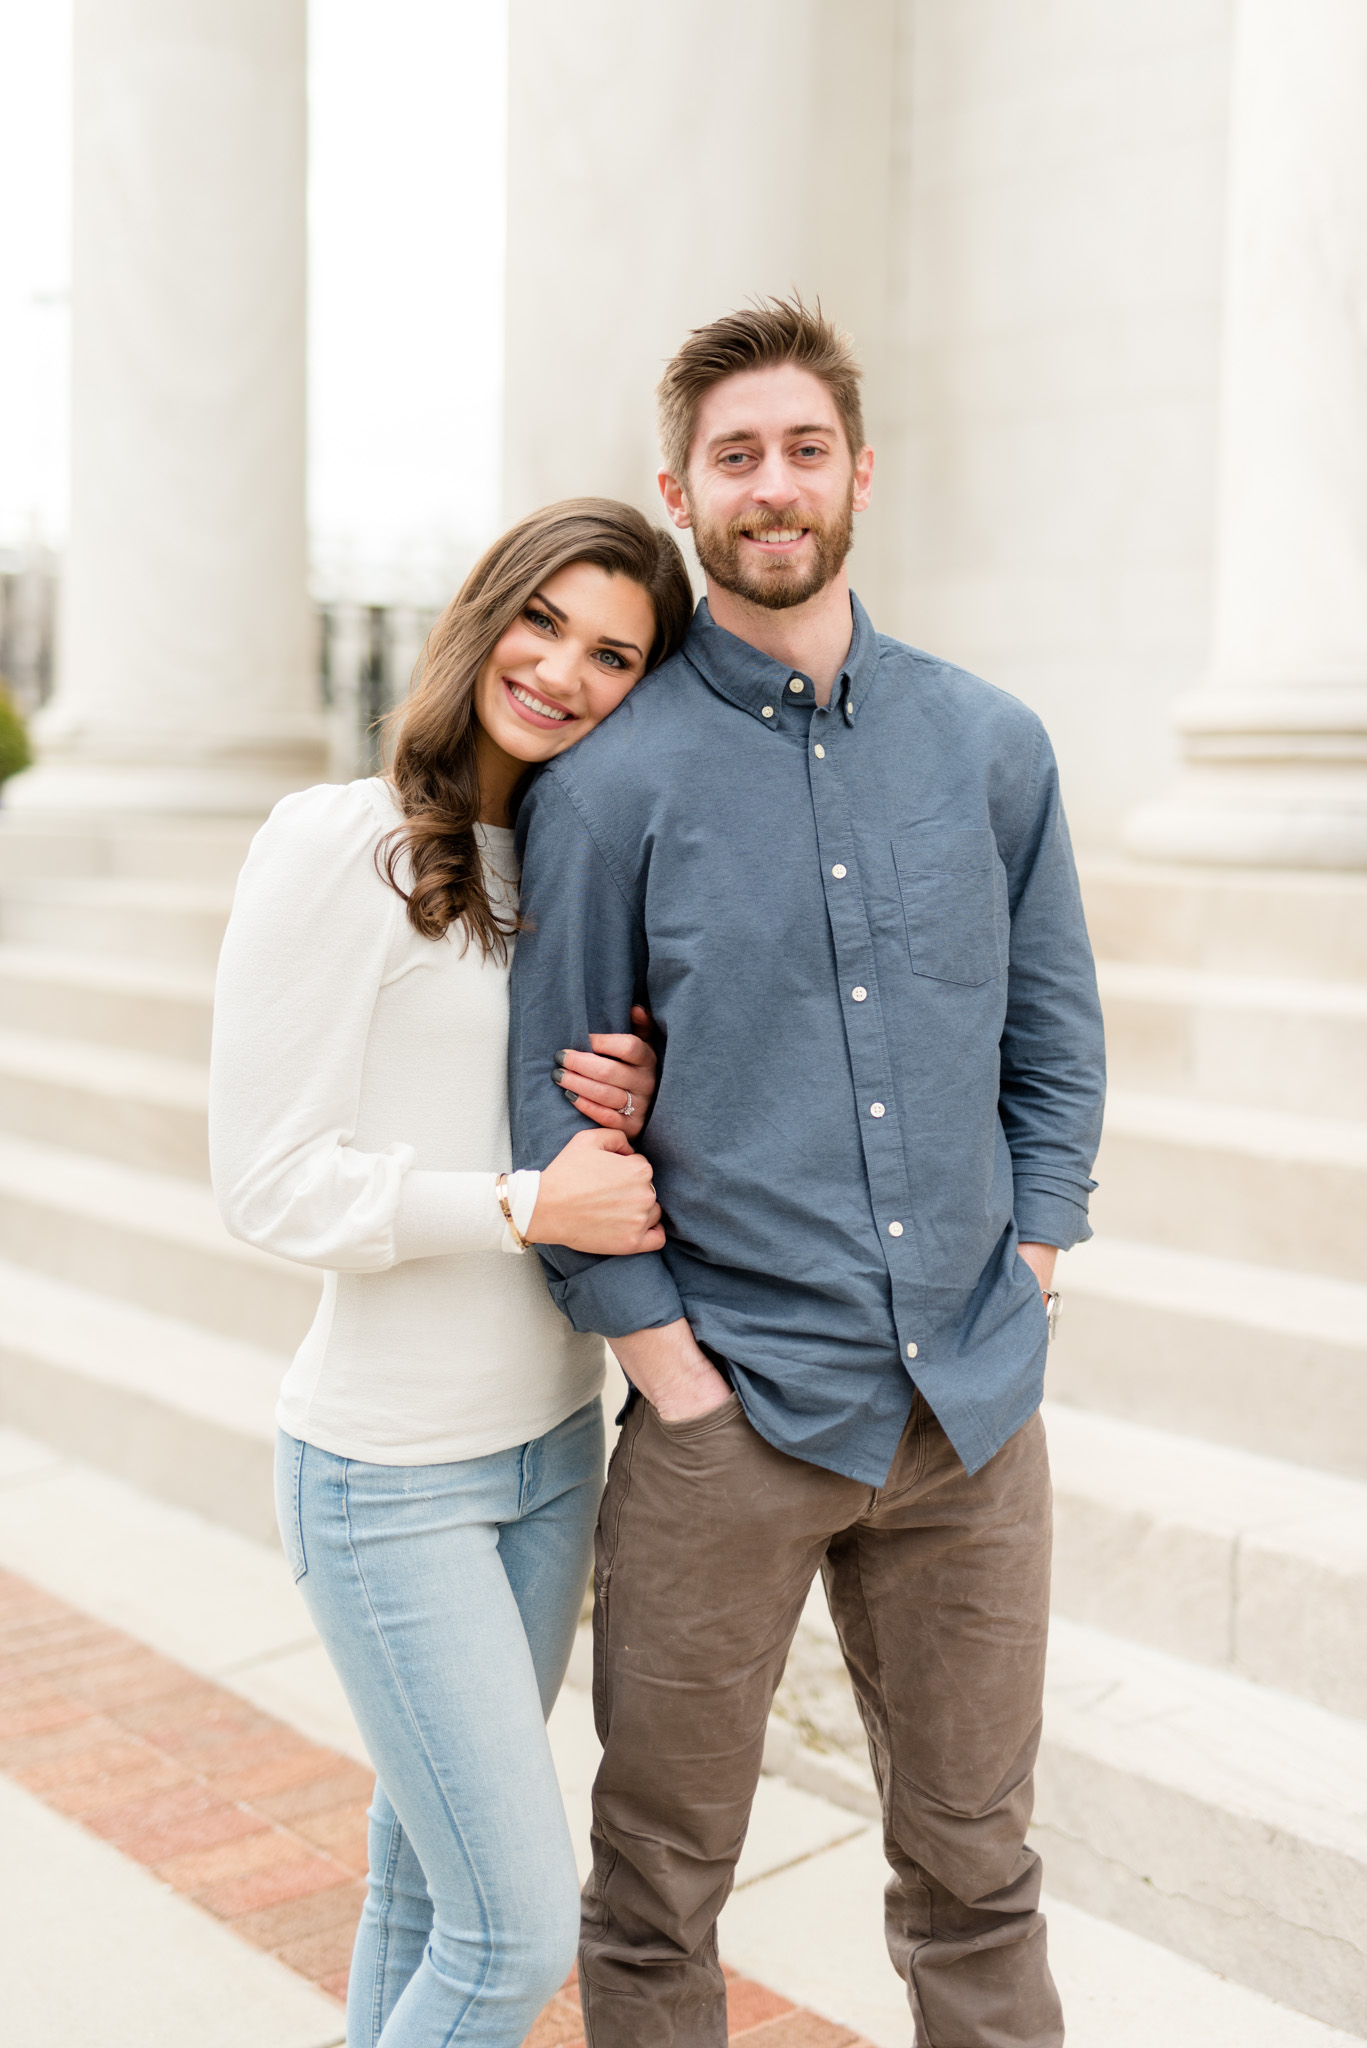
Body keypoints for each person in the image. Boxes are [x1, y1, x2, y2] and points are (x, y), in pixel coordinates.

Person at [508, 301, 1106, 2048]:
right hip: (733, 1422)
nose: (774, 485)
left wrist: (1039, 1261)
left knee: (979, 1871)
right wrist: (671, 1376)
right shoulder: (610, 784)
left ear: (859, 470)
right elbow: (552, 1120)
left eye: (804, 447)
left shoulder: (993, 747)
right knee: (657, 1887)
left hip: (972, 1417)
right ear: (680, 490)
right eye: (735, 456)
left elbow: (1054, 1041)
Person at [209, 499, 694, 2048]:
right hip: (388, 1471)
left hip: (549, 1450)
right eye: (543, 621)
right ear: (484, 615)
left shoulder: (561, 861)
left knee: (422, 1894)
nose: (564, 671)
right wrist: (515, 1201)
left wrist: (627, 1098)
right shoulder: (341, 840)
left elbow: (541, 1123)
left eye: (616, 653)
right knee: (511, 1934)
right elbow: (267, 1181)